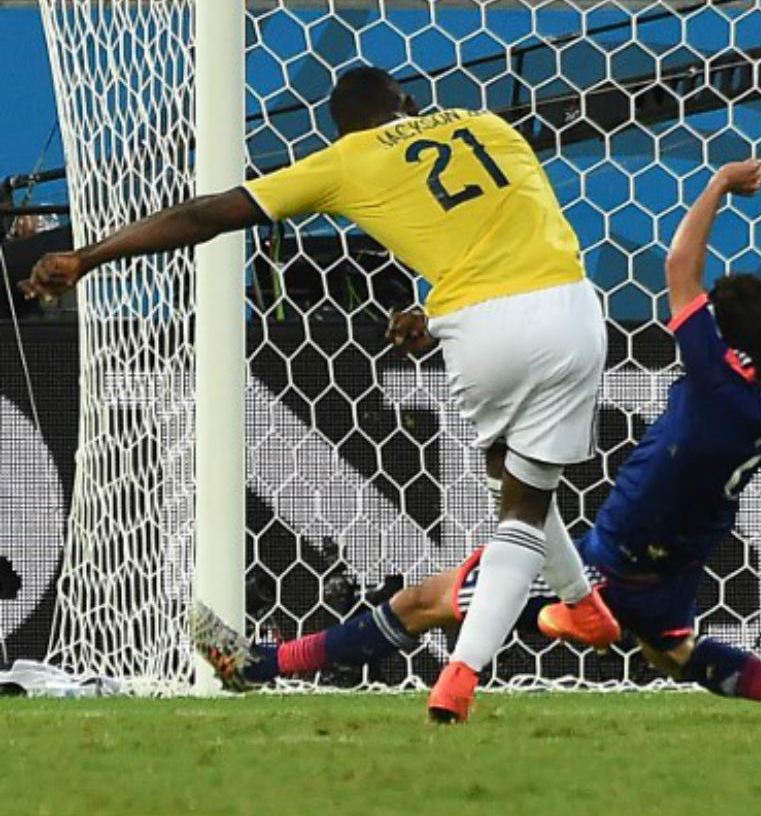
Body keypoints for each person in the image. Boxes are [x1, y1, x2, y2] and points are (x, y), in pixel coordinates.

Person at [190, 132, 761, 718]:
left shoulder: (712, 374)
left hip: (607, 563)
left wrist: (722, 184)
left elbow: (679, 267)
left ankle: (266, 665)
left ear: (723, 335)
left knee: (424, 600)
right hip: (677, 563)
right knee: (676, 651)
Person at [22, 65, 620, 723]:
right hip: (565, 305)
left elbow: (204, 213)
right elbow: (507, 227)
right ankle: (581, 608)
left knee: (508, 523)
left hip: (482, 327)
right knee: (513, 506)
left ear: (340, 129)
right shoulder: (488, 125)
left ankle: (461, 676)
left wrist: (88, 257)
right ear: (412, 104)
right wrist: (436, 314)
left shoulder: (348, 160)